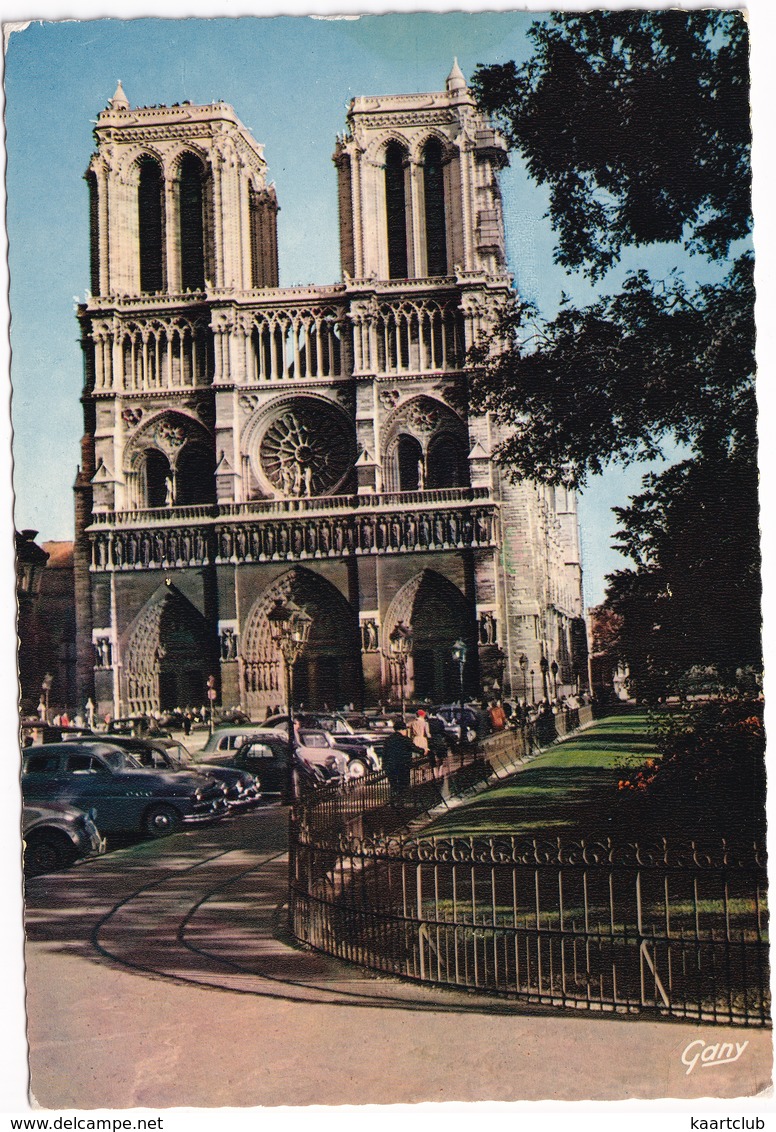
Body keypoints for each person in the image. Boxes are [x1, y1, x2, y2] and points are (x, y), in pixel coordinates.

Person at [381, 716, 415, 800]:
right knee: (403, 784)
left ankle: (394, 799)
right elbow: (414, 748)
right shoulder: (405, 739)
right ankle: (401, 800)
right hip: (403, 766)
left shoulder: (388, 739)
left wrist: (384, 765)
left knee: (393, 784)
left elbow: (384, 753)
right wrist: (424, 751)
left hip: (391, 766)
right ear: (402, 730)